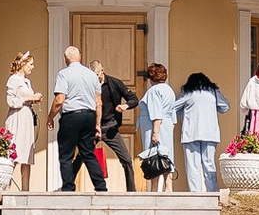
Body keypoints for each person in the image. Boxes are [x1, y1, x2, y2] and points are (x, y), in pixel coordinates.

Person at [49, 43, 105, 192]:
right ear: (79, 57)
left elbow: (59, 99)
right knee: (88, 153)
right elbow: (98, 102)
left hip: (71, 117)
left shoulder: (64, 74)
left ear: (65, 59)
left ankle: (68, 188)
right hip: (89, 116)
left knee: (66, 155)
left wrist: (50, 117)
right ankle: (101, 187)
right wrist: (97, 124)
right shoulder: (92, 75)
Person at [175, 71, 228, 192]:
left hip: (191, 133)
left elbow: (174, 107)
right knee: (209, 164)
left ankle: (195, 193)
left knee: (193, 166)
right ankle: (213, 192)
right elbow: (225, 106)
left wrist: (183, 113)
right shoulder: (213, 92)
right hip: (210, 133)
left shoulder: (188, 93)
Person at [3, 52, 40, 191]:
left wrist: (34, 99)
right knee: (15, 150)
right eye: (30, 64)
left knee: (26, 152)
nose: (33, 67)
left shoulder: (27, 81)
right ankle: (5, 185)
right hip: (17, 116)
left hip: (26, 117)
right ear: (23, 64)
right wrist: (28, 98)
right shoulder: (13, 79)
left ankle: (26, 189)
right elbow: (10, 101)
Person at [138, 62, 177, 192]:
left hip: (154, 126)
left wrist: (155, 132)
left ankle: (154, 188)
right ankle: (168, 187)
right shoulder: (169, 90)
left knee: (153, 156)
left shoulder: (154, 91)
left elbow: (156, 113)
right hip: (167, 125)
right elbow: (172, 113)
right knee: (166, 156)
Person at [96, 67, 136, 192]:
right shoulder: (89, 84)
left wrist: (125, 106)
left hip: (110, 128)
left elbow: (134, 99)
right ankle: (68, 189)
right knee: (80, 157)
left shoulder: (115, 83)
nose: (96, 78)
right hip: (93, 128)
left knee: (127, 160)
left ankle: (131, 191)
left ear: (102, 70)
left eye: (97, 74)